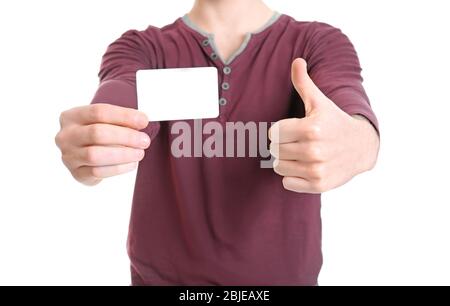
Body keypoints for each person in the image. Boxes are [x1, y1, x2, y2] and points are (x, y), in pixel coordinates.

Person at [55, 0, 380, 285]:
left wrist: (358, 142)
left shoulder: (316, 42)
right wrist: (97, 136)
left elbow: (348, 103)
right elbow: (122, 92)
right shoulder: (142, 47)